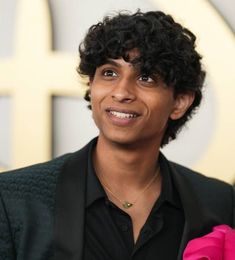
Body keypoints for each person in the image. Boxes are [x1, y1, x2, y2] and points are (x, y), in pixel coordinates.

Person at [0, 10, 234, 260]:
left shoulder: (218, 201)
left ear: (179, 102)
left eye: (146, 78)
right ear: (92, 86)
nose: (121, 92)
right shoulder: (13, 198)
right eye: (109, 73)